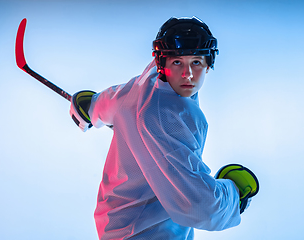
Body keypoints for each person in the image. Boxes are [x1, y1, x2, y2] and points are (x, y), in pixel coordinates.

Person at [70, 16, 258, 240]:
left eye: (196, 62)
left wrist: (91, 108)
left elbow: (114, 100)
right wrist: (234, 194)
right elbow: (198, 205)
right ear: (162, 63)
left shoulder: (144, 83)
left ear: (209, 64)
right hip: (147, 234)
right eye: (177, 62)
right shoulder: (166, 118)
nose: (187, 73)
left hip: (119, 227)